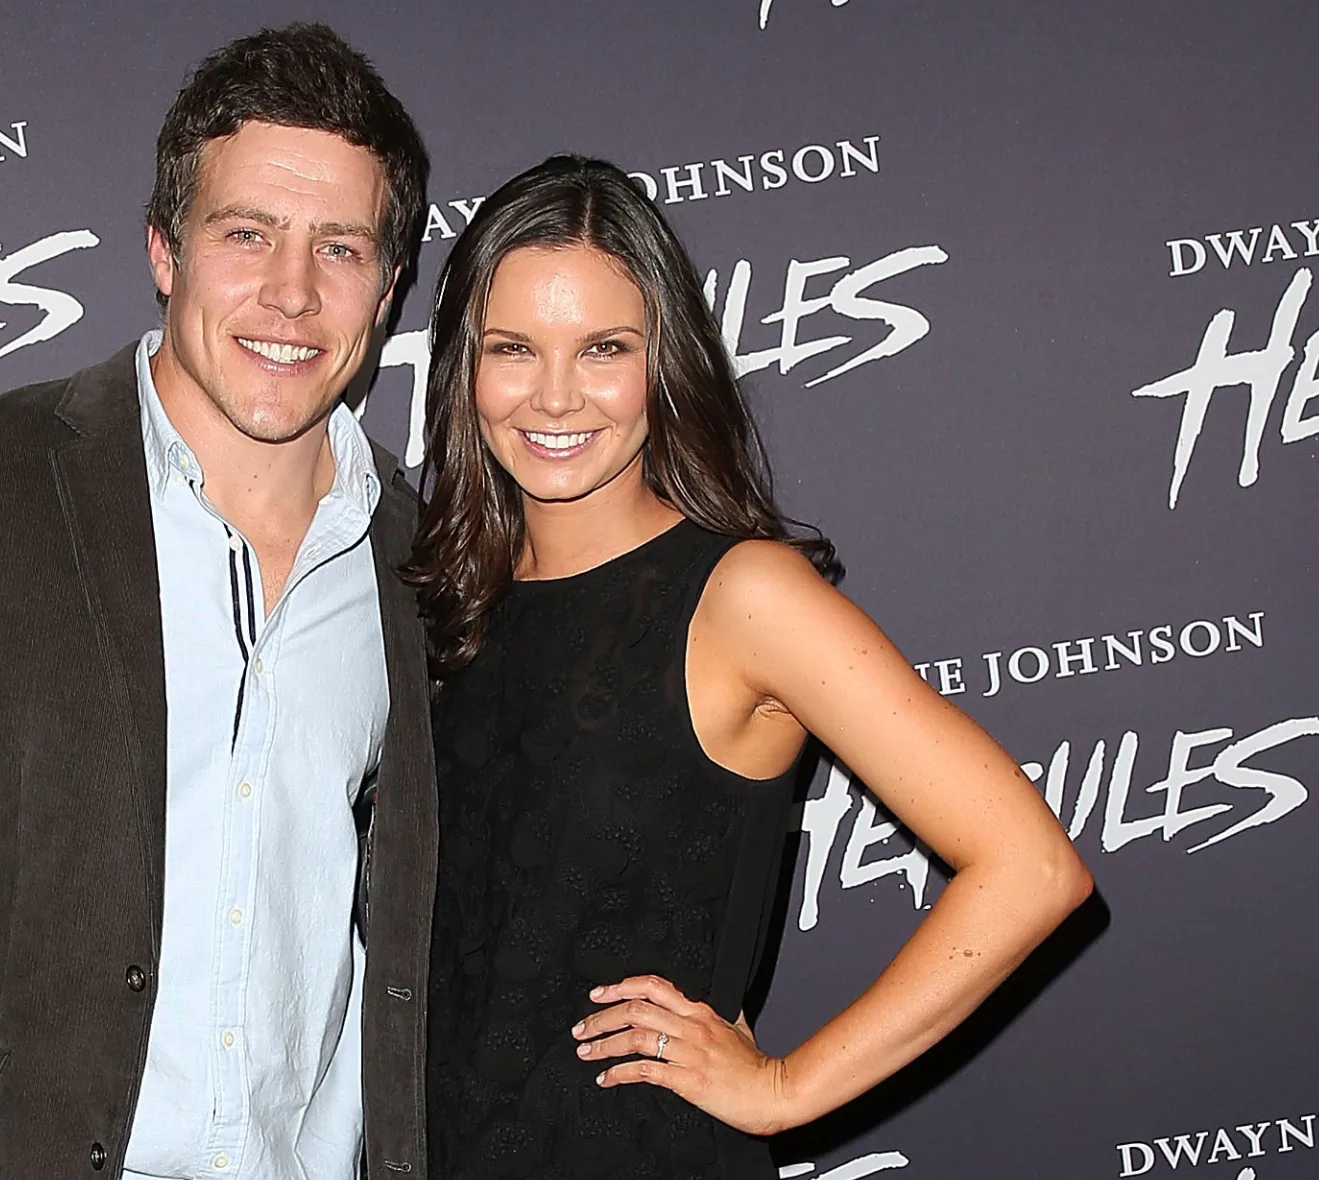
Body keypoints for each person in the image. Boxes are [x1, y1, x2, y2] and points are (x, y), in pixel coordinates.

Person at [0, 24, 437, 1180]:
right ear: (164, 249)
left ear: (389, 285)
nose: (292, 293)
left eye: (341, 248)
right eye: (247, 233)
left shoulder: (419, 551)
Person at [409, 156, 1093, 1179]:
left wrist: (785, 1087)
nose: (554, 395)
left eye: (604, 348)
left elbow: (1031, 869)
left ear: (665, 361)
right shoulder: (446, 596)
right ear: (464, 365)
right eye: (513, 348)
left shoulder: (741, 597)